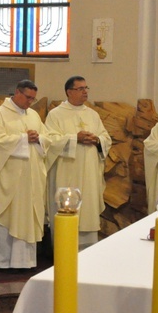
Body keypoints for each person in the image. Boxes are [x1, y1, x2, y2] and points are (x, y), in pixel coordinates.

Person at [0, 80, 52, 270]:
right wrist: (23, 138)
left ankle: (25, 261)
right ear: (17, 93)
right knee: (7, 216)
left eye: (33, 99)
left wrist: (39, 139)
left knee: (27, 216)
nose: (30, 102)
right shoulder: (0, 114)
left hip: (31, 177)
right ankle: (3, 262)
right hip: (9, 178)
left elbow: (47, 139)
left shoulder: (34, 115)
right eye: (28, 97)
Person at [45, 76, 112, 249]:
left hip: (89, 172)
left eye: (86, 88)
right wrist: (75, 139)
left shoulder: (92, 114)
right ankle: (64, 255)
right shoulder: (56, 114)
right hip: (67, 173)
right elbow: (50, 142)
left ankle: (88, 254)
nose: (85, 91)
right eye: (80, 88)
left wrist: (97, 140)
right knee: (68, 212)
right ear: (69, 92)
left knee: (87, 210)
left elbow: (106, 138)